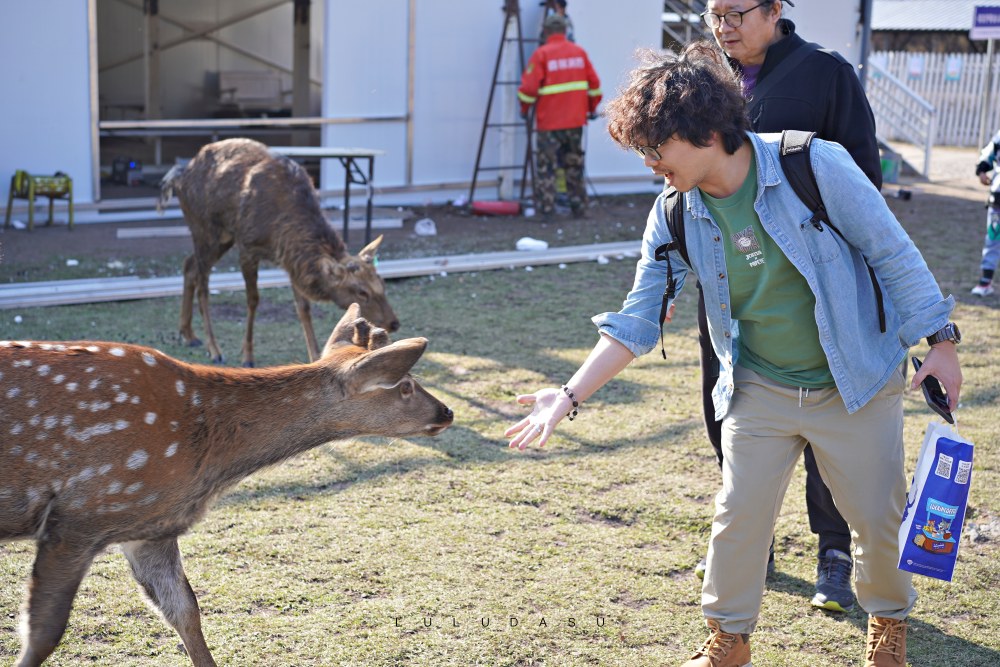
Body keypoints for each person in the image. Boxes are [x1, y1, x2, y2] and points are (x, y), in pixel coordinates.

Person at [505, 42, 962, 667]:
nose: (649, 162)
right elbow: (638, 319)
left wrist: (942, 344)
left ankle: (887, 632)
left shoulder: (813, 164)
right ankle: (728, 642)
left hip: (854, 380)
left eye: (655, 145)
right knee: (737, 519)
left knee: (877, 526)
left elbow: (891, 249)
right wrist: (569, 395)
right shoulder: (673, 213)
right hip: (759, 386)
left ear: (706, 132)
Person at [691, 0, 883, 613]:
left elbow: (864, 180)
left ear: (775, 9)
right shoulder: (701, 74)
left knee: (826, 417)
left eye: (736, 12)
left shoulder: (826, 74)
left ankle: (834, 552)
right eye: (713, 13)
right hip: (729, 284)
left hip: (812, 289)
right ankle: (753, 542)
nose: (724, 25)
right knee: (728, 406)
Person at [518, 13, 601, 220]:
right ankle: (579, 208)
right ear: (565, 31)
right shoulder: (579, 53)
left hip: (549, 124)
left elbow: (528, 89)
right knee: (574, 165)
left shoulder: (541, 54)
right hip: (575, 122)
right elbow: (594, 86)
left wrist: (524, 109)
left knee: (547, 168)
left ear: (546, 32)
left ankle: (547, 211)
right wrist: (591, 109)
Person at [972, 129, 1000, 296]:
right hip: (998, 196)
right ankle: (985, 282)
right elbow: (989, 153)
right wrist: (982, 170)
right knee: (993, 236)